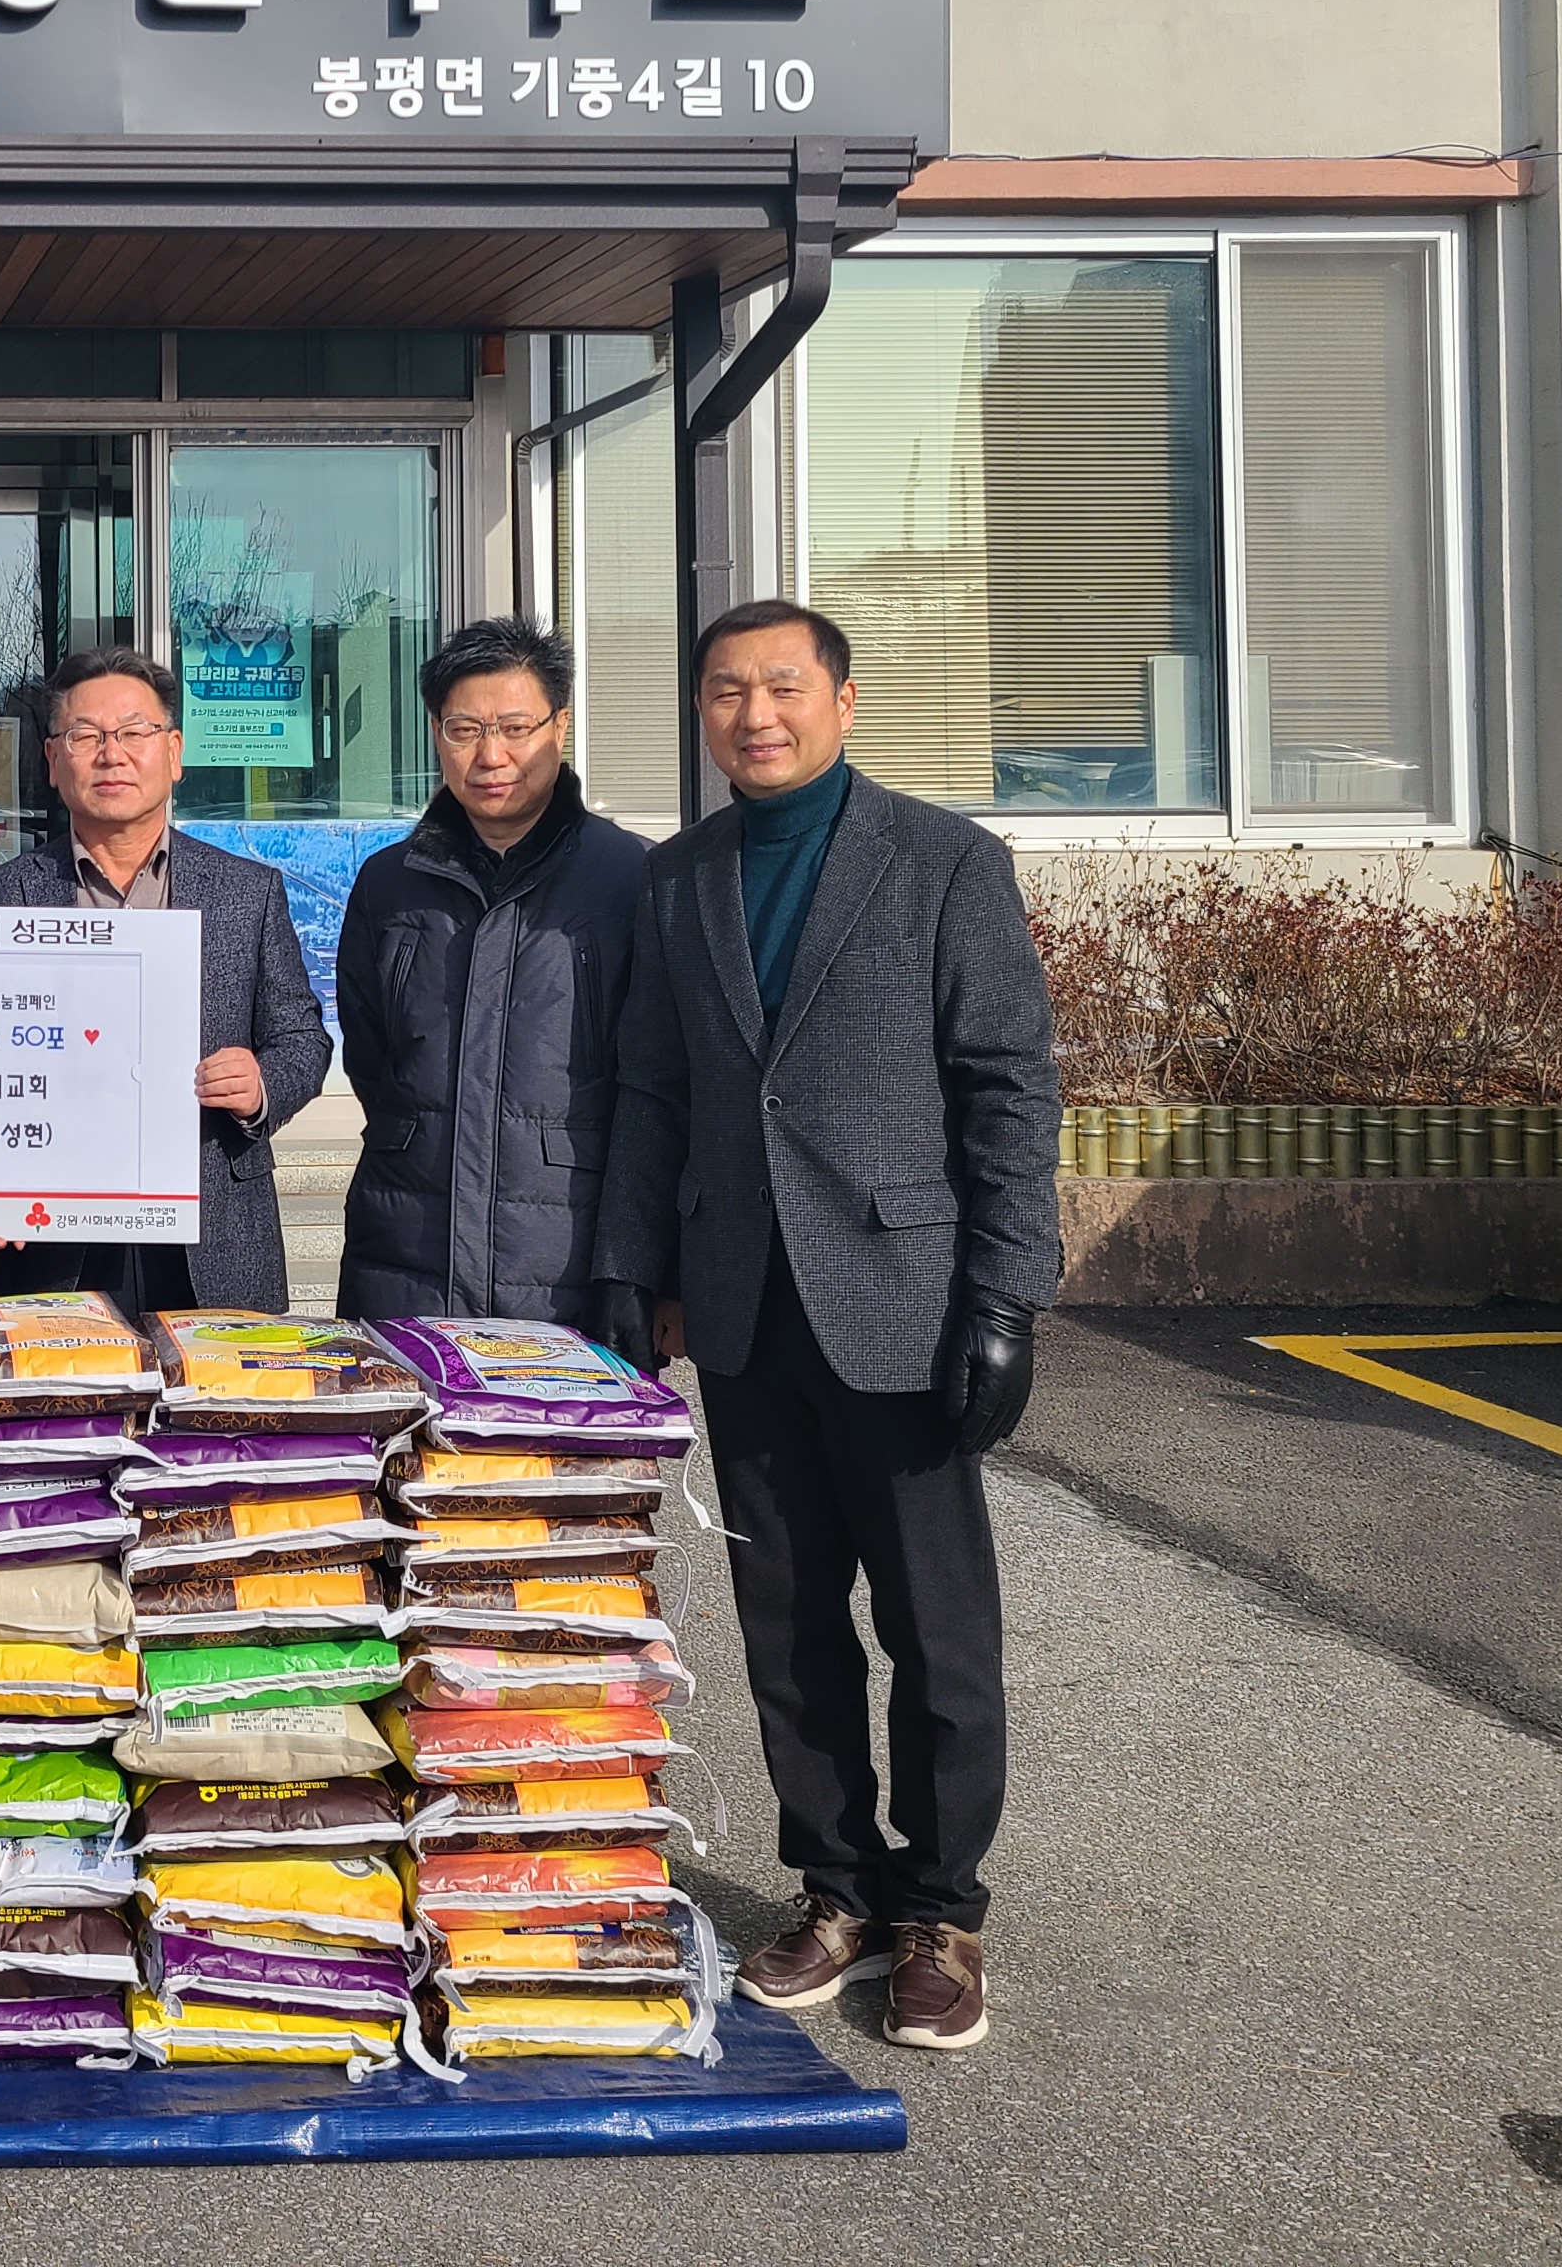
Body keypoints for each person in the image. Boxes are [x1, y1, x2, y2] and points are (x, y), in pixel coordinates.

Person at [588, 598, 1058, 2056]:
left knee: (935, 1626)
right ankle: (837, 1889)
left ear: (843, 703)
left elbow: (1008, 1086)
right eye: (727, 691)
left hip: (902, 1303)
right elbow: (654, 1086)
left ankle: (942, 1910)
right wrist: (636, 1270)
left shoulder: (945, 862)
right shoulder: (680, 878)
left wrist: (1005, 1297)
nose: (756, 716)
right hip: (742, 1305)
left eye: (783, 687)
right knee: (788, 1626)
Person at [0, 646, 333, 1314]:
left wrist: (260, 1087)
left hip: (212, 1223)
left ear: (174, 752)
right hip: (53, 1237)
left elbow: (302, 1039)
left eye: (134, 732)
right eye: (85, 736)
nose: (111, 754)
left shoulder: (245, 892)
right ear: (52, 760)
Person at [332, 617, 651, 1327]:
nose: (491, 755)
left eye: (514, 727)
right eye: (465, 730)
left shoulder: (632, 878)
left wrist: (641, 1269)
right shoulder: (389, 882)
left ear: (559, 727)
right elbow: (373, 1060)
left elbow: (657, 1084)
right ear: (435, 732)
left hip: (567, 1260)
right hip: (405, 1250)